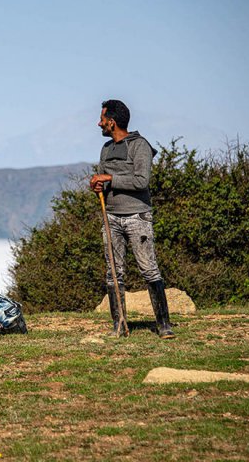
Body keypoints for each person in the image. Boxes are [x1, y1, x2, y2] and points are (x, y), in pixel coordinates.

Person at [90, 99, 175, 339]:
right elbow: (105, 181)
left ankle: (164, 325)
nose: (99, 123)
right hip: (111, 217)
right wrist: (98, 185)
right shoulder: (106, 149)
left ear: (112, 122)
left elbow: (141, 181)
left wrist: (108, 179)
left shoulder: (141, 146)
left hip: (138, 216)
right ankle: (119, 325)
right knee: (113, 272)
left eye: (102, 119)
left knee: (149, 269)